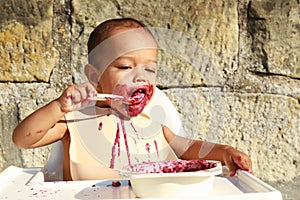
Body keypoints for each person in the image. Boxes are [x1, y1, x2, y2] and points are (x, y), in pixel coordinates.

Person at [12, 18, 252, 181]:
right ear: (95, 76)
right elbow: (23, 138)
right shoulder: (75, 123)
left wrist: (225, 152)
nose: (139, 76)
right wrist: (58, 107)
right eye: (125, 66)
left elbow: (188, 148)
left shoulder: (153, 124)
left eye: (149, 70)